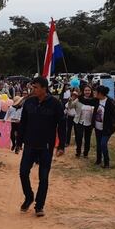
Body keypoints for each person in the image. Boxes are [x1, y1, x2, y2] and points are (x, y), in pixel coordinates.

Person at [18, 77, 66, 217]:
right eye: (33, 87)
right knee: (23, 172)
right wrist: (18, 142)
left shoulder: (55, 104)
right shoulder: (29, 102)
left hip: (46, 147)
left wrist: (61, 145)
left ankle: (39, 206)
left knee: (43, 177)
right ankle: (29, 197)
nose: (33, 90)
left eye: (36, 87)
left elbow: (62, 125)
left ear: (44, 88)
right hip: (29, 145)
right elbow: (23, 123)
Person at [91, 85, 115, 168]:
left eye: (96, 92)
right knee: (99, 144)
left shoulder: (110, 102)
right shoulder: (96, 100)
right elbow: (86, 101)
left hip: (107, 128)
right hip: (97, 126)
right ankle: (98, 160)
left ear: (100, 93)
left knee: (103, 144)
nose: (95, 93)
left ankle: (107, 163)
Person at [72, 86, 96, 158]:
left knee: (87, 138)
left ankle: (86, 153)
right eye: (86, 90)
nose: (87, 92)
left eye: (89, 90)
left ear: (91, 91)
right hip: (80, 122)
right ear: (83, 91)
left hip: (89, 122)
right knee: (79, 137)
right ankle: (78, 152)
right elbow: (70, 106)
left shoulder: (94, 100)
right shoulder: (79, 99)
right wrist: (71, 99)